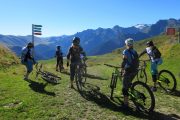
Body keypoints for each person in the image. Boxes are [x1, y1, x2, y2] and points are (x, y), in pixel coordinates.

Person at [121, 38, 139, 107]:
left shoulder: (125, 51)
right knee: (128, 83)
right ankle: (131, 93)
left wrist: (122, 69)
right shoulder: (135, 51)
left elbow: (124, 61)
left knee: (124, 88)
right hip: (135, 70)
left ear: (127, 44)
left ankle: (126, 104)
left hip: (128, 70)